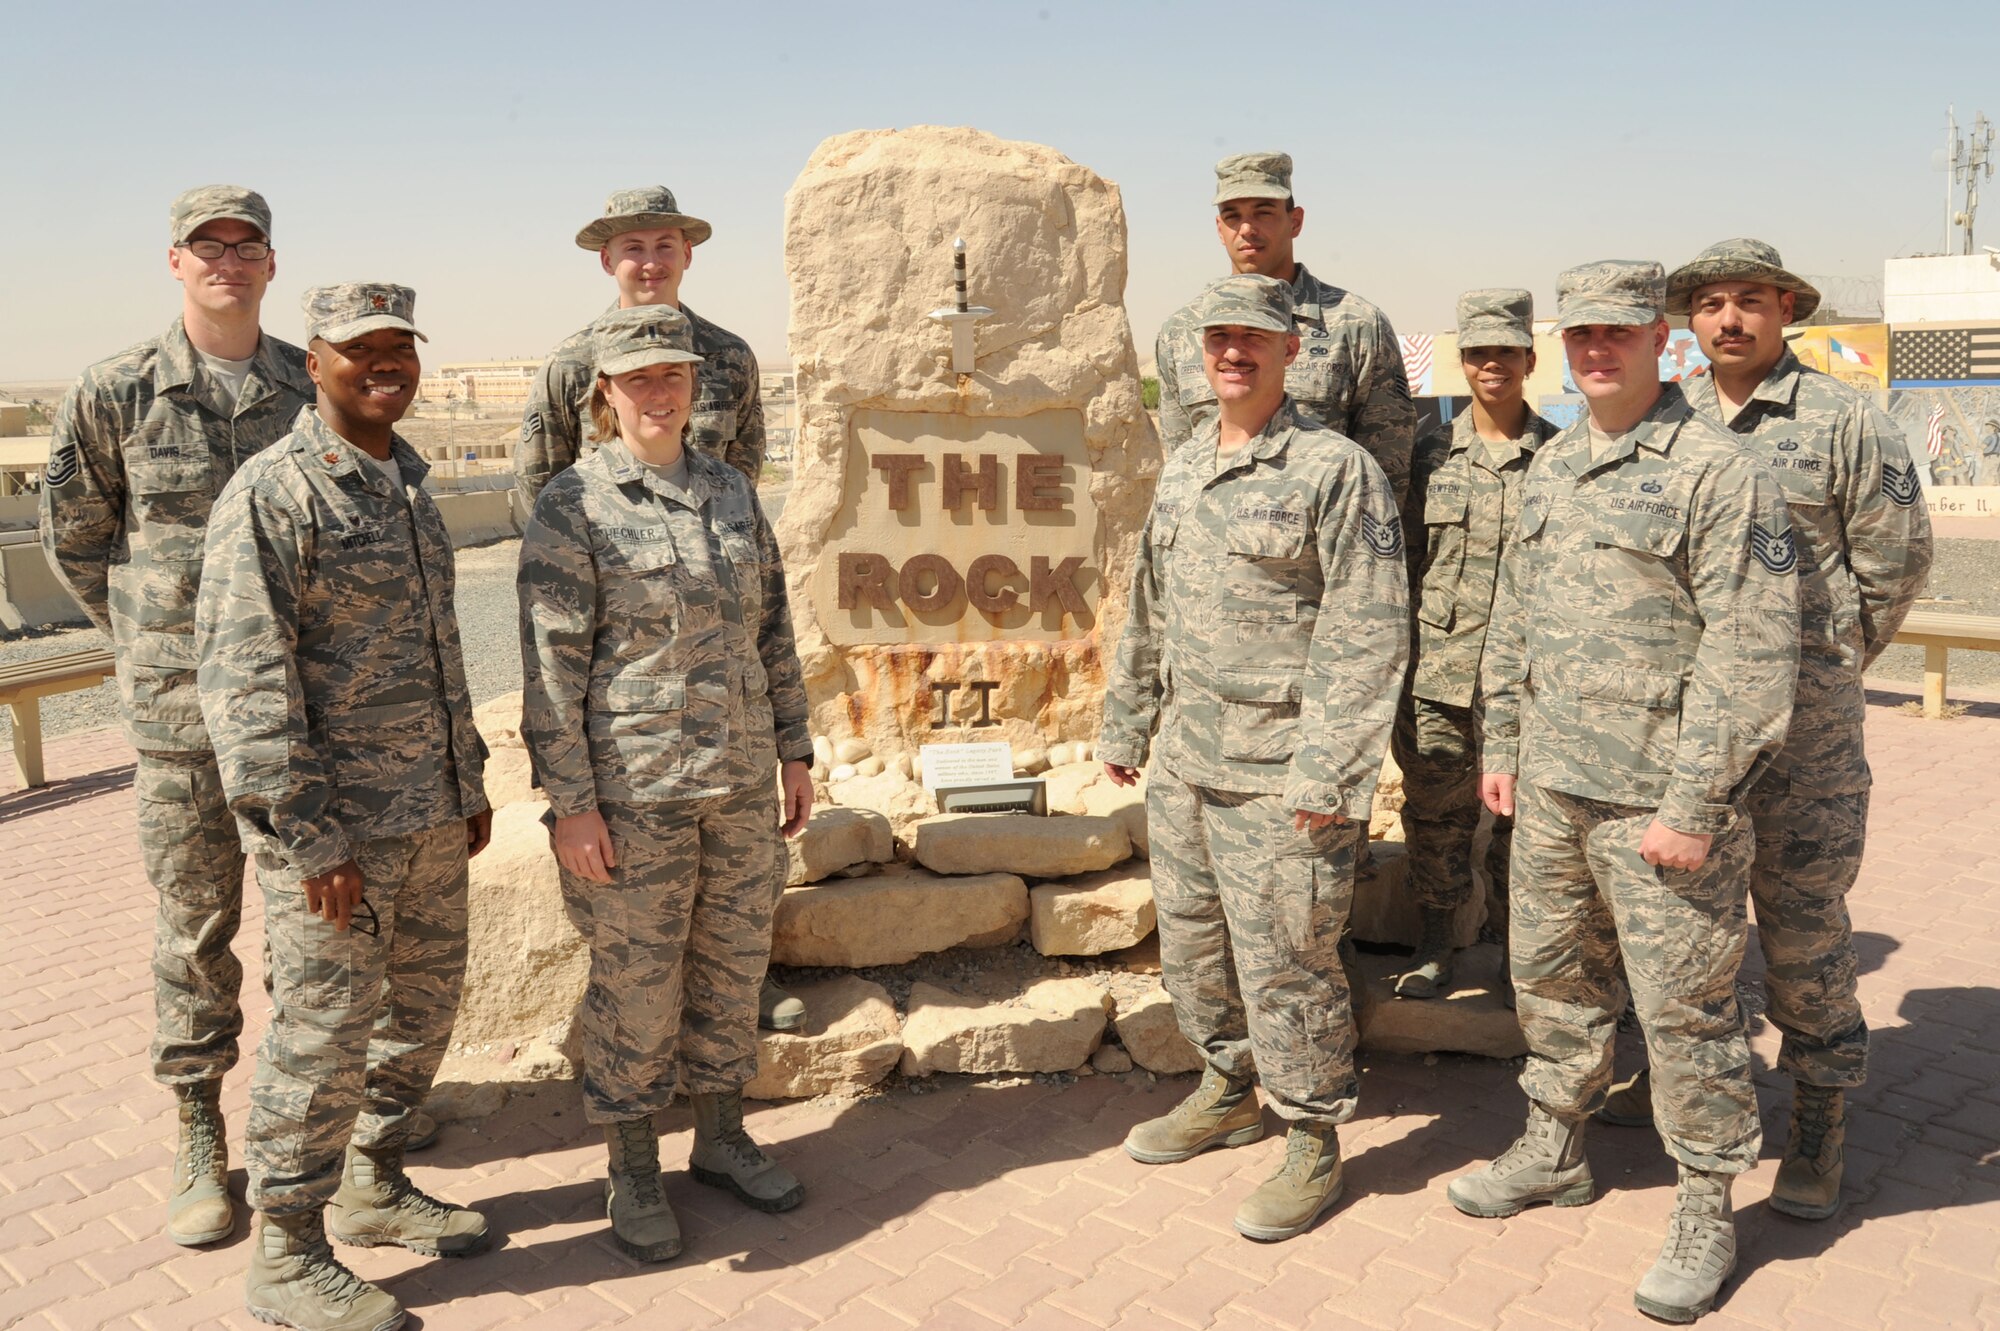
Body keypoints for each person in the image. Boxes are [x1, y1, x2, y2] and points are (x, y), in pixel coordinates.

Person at [38, 185, 423, 1249]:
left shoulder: (310, 377)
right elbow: (79, 542)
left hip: (307, 720)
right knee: (197, 925)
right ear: (174, 262)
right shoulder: (116, 390)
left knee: (318, 927)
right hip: (180, 723)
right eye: (206, 246)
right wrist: (161, 644)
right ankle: (200, 1127)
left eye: (245, 246)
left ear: (268, 263)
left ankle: (328, 1127)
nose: (227, 261)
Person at [1451, 261, 1800, 1323]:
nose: (1594, 350)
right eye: (1580, 334)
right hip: (1554, 788)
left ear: (1661, 340)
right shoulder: (1554, 468)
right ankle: (1554, 1142)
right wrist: (1503, 740)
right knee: (1551, 982)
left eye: (1617, 332)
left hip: (1657, 798)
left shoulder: (1714, 471)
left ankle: (1704, 1202)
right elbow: (1513, 614)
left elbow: (1747, 654)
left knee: (1685, 1012)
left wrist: (1693, 806)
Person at [1591, 241, 1932, 1222]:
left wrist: (1816, 665)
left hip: (1803, 743)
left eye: (1748, 300)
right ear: (1687, 322)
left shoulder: (1841, 420)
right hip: (1685, 735)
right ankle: (1675, 1085)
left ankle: (1817, 1117)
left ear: (1785, 308)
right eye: (1708, 304)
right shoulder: (1661, 421)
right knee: (1679, 929)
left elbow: (1895, 562)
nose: (1727, 318)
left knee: (1803, 931)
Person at [198, 284, 493, 1331]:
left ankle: (374, 1178)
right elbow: (245, 683)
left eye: (399, 349)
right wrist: (308, 832)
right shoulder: (275, 494)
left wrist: (467, 776)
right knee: (319, 1037)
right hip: (333, 841)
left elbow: (435, 648)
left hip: (426, 815)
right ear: (313, 364)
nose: (385, 367)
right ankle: (285, 1247)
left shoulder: (403, 481)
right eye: (360, 351)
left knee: (418, 1016)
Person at [1099, 274, 1409, 1243]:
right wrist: (1124, 719)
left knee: (1288, 957)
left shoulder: (1334, 469)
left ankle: (1313, 1136)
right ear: (1202, 353)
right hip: (1188, 761)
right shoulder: (1187, 462)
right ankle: (1228, 1086)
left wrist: (1331, 773)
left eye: (1252, 339)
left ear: (1287, 353)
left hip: (1282, 770)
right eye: (1217, 337)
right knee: (1192, 944)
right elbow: (1149, 599)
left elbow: (1366, 632)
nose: (1232, 351)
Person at [517, 305, 815, 1263]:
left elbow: (771, 630)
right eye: (638, 375)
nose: (658, 389)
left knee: (730, 968)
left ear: (695, 385)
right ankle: (633, 1164)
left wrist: (795, 750)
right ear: (604, 391)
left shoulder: (731, 490)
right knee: (637, 988)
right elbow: (550, 669)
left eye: (674, 373)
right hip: (633, 794)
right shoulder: (576, 502)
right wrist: (570, 804)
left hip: (735, 780)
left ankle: (722, 1136)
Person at [514, 184, 797, 1033]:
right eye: (631, 247)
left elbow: (741, 479)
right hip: (626, 669)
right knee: (634, 924)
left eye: (663, 244)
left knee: (737, 877)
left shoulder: (730, 358)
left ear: (687, 252)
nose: (648, 260)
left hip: (723, 681)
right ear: (607, 259)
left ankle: (738, 985)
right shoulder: (573, 361)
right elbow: (539, 492)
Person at [1392, 289, 1557, 999]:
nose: (1494, 364)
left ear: (1529, 357)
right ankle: (1436, 946)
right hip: (1439, 678)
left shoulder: (1561, 459)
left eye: (1507, 351)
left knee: (1527, 830)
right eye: (1479, 351)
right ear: (1462, 362)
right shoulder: (1426, 456)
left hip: (1530, 685)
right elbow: (1400, 563)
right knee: (1435, 819)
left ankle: (1522, 959)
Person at [1153, 152, 1415, 505]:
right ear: (1219, 229)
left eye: (1263, 212)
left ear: (1295, 221)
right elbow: (1180, 470)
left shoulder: (1357, 325)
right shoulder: (1181, 332)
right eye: (1233, 216)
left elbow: (1388, 474)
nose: (1246, 229)